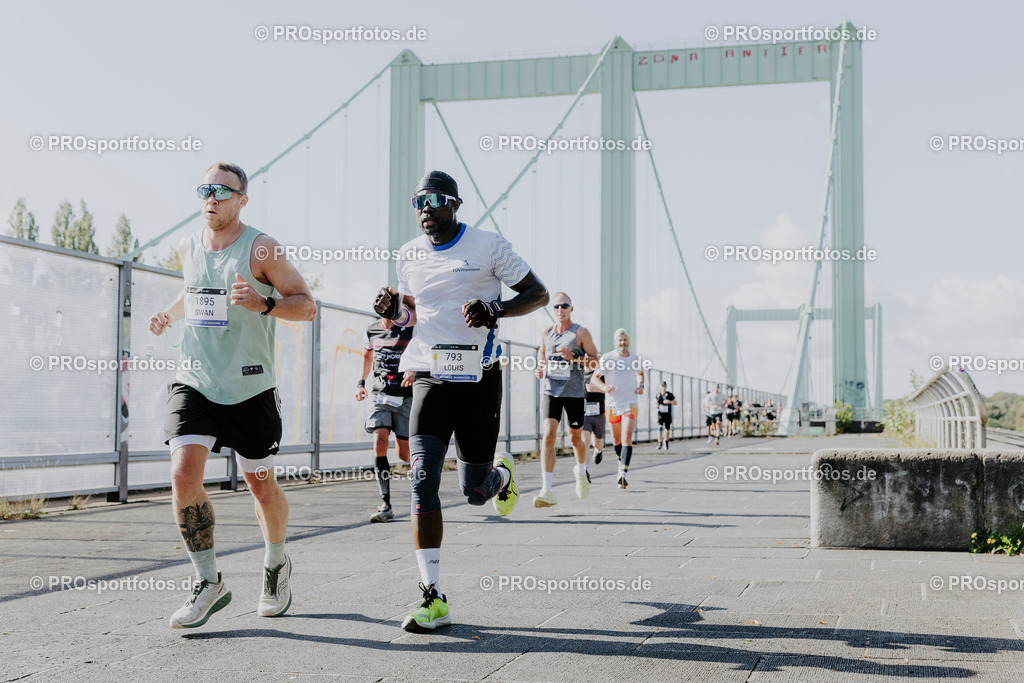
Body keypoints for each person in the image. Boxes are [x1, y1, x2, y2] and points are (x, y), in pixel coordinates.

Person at [373, 170, 548, 633]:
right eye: (418, 201)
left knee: (474, 494)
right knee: (422, 479)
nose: (425, 209)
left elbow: (538, 294)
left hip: (479, 379)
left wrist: (496, 309)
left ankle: (499, 475)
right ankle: (433, 598)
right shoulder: (408, 254)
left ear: (454, 203)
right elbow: (413, 314)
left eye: (434, 200)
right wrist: (395, 312)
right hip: (429, 376)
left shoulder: (488, 245)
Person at [150, 162, 317, 629]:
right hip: (195, 379)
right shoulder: (187, 245)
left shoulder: (262, 248)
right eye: (206, 189)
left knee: (260, 485)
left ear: (243, 199)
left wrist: (264, 303)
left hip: (250, 386)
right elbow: (194, 293)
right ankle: (208, 581)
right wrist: (168, 314)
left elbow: (306, 306)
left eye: (223, 191)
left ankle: (276, 563)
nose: (212, 197)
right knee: (182, 473)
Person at [533, 292, 599, 507]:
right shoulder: (547, 332)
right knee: (548, 436)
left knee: (575, 439)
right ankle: (546, 490)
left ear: (571, 308)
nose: (560, 310)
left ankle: (580, 470)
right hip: (550, 390)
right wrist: (540, 367)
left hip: (574, 394)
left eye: (564, 306)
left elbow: (595, 362)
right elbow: (542, 353)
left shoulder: (580, 332)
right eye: (556, 306)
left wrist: (575, 357)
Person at [356, 317, 414, 523]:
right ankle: (385, 504)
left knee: (404, 454)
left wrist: (415, 370)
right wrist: (360, 383)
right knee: (379, 441)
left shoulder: (412, 328)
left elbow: (424, 353)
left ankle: (424, 485)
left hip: (407, 396)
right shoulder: (371, 330)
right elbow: (366, 356)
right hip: (380, 395)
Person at [596, 329, 645, 489]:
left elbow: (640, 373)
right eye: (619, 340)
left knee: (626, 437)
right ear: (615, 342)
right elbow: (595, 378)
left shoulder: (635, 358)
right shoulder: (607, 358)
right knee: (616, 440)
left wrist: (640, 385)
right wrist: (604, 387)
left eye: (625, 340)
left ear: (628, 341)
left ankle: (623, 473)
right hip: (612, 404)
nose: (622, 343)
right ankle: (620, 463)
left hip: (630, 403)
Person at [581, 367, 607, 466]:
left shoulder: (601, 374)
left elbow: (611, 390)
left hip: (598, 413)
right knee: (585, 440)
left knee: (597, 442)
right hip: (584, 413)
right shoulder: (579, 373)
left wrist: (596, 389)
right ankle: (585, 469)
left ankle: (598, 451)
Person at [655, 381, 676, 450]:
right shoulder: (658, 395)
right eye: (662, 386)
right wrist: (656, 405)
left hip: (667, 414)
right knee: (660, 428)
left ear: (666, 386)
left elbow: (675, 402)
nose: (663, 387)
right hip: (660, 414)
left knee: (667, 429)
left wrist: (669, 401)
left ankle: (666, 442)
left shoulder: (669, 395)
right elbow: (656, 402)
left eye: (664, 386)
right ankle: (660, 443)